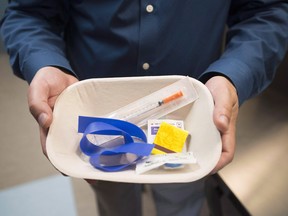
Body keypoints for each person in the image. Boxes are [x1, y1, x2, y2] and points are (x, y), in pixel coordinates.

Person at [1, 1, 287, 215]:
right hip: (100, 125)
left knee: (182, 200)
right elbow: (29, 13)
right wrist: (45, 63)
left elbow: (265, 13)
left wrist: (233, 75)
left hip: (190, 122)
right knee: (114, 203)